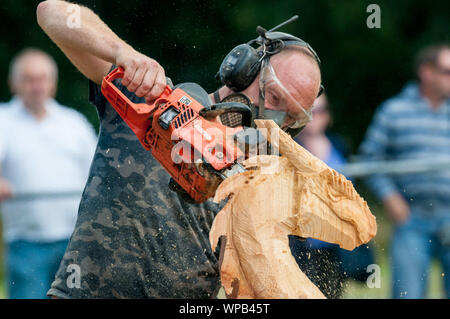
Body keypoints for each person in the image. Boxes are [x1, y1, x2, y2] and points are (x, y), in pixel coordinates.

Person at [37, 0, 322, 298]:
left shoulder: (257, 184)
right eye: (274, 96)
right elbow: (51, 13)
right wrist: (124, 55)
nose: (272, 117)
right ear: (244, 68)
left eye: (289, 117)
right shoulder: (152, 101)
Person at [0, 48, 98, 298]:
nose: (37, 86)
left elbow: (98, 172)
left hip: (75, 242)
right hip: (26, 244)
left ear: (53, 83)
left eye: (42, 78)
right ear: (14, 83)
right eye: (29, 79)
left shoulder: (73, 122)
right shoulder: (3, 120)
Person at [359, 44, 450, 298]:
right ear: (427, 72)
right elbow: (370, 158)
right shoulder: (394, 111)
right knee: (407, 293)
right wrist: (391, 198)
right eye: (447, 71)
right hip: (411, 219)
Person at [289, 94, 374, 298]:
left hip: (336, 244)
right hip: (303, 244)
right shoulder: (288, 147)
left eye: (321, 111)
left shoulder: (339, 145)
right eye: (310, 111)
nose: (316, 117)